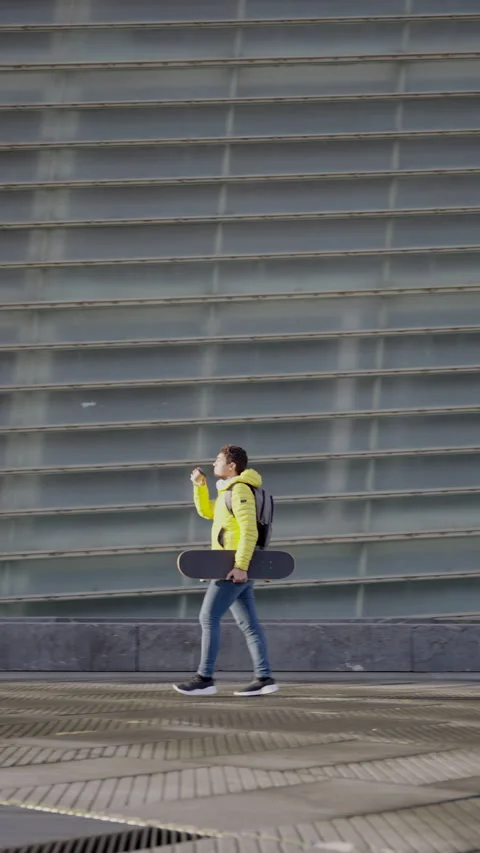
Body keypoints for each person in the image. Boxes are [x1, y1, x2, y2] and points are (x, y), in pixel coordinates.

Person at [173, 445, 278, 697]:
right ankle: (264, 678)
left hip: (232, 569)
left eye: (218, 460)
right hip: (232, 566)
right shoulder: (228, 491)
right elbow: (208, 512)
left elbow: (249, 529)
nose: (214, 464)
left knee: (208, 618)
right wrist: (199, 486)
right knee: (249, 624)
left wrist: (241, 566)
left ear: (232, 465)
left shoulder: (240, 489)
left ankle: (205, 678)